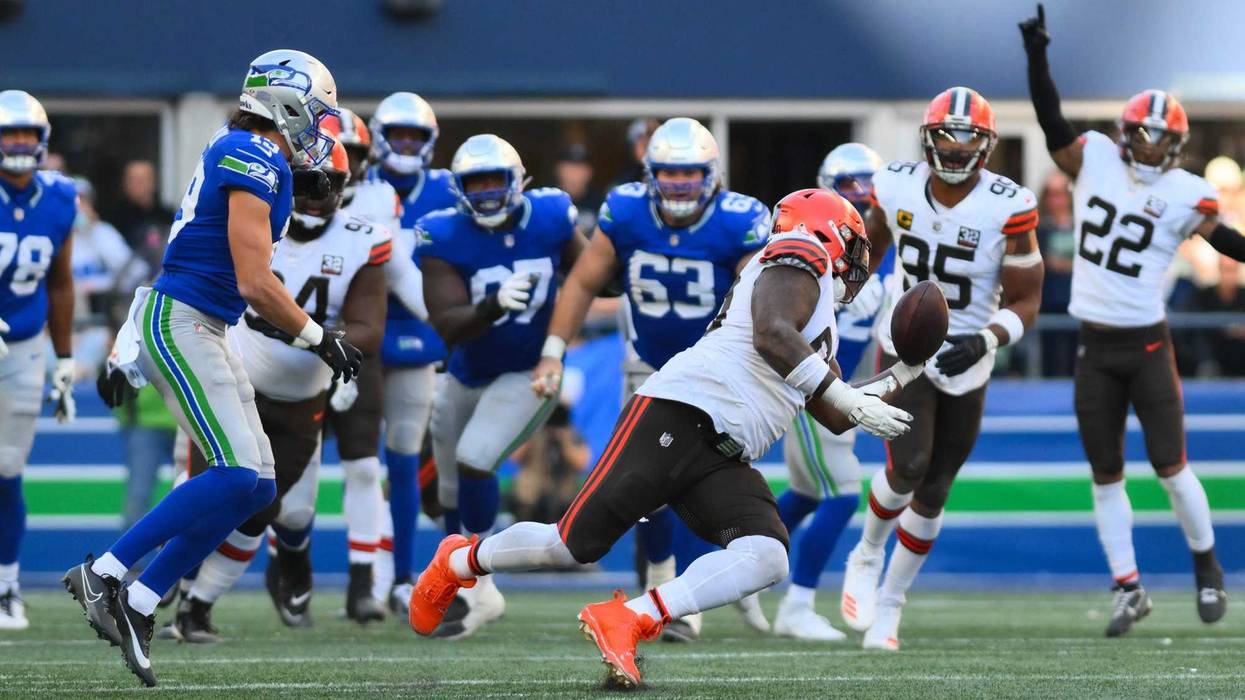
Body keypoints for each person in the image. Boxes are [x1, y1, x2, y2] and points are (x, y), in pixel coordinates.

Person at [410, 188, 920, 688]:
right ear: (828, 235)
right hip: (680, 415)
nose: (857, 262)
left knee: (766, 554)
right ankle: (458, 560)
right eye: (852, 245)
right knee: (570, 545)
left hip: (723, 454)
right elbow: (771, 332)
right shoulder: (799, 251)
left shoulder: (814, 313)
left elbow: (833, 411)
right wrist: (848, 396)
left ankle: (629, 618)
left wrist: (908, 370)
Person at [63, 50, 360, 687]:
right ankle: (107, 573)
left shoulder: (251, 152)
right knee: (233, 473)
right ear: (286, 101)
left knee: (257, 488)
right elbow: (255, 281)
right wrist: (318, 337)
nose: (319, 127)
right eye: (315, 111)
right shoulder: (252, 155)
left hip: (207, 324)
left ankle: (143, 603)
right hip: (184, 321)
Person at [1020, 4, 1245, 635]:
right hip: (1095, 347)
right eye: (1139, 134)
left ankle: (1208, 570)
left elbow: (1222, 237)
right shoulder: (1091, 157)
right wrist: (1038, 58)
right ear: (1125, 133)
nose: (1146, 145)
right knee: (1105, 475)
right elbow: (1050, 119)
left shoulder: (1184, 192)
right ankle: (1128, 587)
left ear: (1173, 145)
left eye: (1157, 137)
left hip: (1147, 346)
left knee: (1173, 467)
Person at [530, 117, 771, 641]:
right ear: (649, 173)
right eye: (669, 173)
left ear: (712, 175)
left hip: (717, 371)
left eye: (690, 173)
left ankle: (706, 589)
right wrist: (553, 353)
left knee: (714, 483)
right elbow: (581, 283)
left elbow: (760, 305)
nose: (679, 183)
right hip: (651, 368)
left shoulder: (741, 221)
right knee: (646, 486)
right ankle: (666, 586)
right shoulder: (627, 210)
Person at [838, 87, 1045, 651]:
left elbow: (1028, 298)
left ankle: (890, 606)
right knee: (910, 466)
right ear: (927, 140)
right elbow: (865, 250)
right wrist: (838, 295)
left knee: (936, 488)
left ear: (986, 145)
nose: (954, 149)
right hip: (907, 343)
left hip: (971, 349)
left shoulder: (1009, 202)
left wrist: (986, 339)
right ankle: (867, 551)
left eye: (967, 138)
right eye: (945, 137)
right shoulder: (897, 183)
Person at [171, 138, 389, 639]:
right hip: (237, 379)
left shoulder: (363, 238)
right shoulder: (258, 219)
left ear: (344, 186)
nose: (314, 195)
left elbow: (370, 328)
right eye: (304, 182)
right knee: (209, 496)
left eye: (326, 183)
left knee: (268, 508)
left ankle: (198, 605)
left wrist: (309, 334)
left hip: (302, 398)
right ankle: (157, 585)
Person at [419, 134, 587, 639]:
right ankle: (472, 590)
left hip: (528, 369)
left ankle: (475, 578)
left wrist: (556, 347)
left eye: (497, 180)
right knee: (449, 488)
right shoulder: (441, 233)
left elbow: (591, 277)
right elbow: (448, 324)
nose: (489, 192)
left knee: (476, 458)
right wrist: (493, 304)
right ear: (460, 189)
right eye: (478, 182)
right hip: (465, 369)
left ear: (519, 182)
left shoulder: (553, 215)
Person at [772, 142, 894, 642]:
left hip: (840, 381)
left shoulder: (884, 245)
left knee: (803, 493)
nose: (862, 195)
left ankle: (729, 571)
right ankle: (796, 604)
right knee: (843, 494)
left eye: (871, 184)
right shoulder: (814, 245)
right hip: (811, 381)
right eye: (849, 185)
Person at [358, 93, 457, 615]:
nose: (405, 146)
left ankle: (399, 576)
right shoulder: (361, 184)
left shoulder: (446, 190)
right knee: (357, 463)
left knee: (402, 459)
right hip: (359, 333)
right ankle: (360, 576)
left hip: (420, 334)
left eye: (414, 138)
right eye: (397, 135)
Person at [0, 90, 77, 631]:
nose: (19, 144)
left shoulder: (61, 197)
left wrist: (66, 357)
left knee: (6, 470)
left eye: (27, 134)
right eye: (10, 134)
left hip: (24, 347)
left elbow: (61, 280)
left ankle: (6, 588)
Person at [1035, 170, 1077, 376]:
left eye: (1060, 193)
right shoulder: (1038, 228)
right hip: (1049, 304)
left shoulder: (1084, 225)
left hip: (1080, 304)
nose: (1055, 200)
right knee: (1052, 363)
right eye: (1051, 194)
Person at [102, 160, 174, 252]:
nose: (137, 184)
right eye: (132, 180)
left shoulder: (167, 217)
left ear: (153, 182)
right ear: (124, 183)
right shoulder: (113, 218)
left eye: (142, 180)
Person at [555, 144, 604, 236]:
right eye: (569, 168)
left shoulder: (601, 204)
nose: (574, 175)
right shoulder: (547, 201)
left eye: (580, 169)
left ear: (589, 172)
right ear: (559, 170)